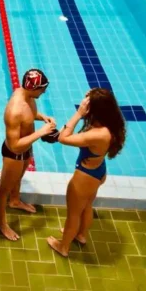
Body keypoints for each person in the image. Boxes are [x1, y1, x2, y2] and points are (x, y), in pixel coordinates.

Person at [47, 88, 126, 258]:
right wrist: (93, 96)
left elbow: (63, 138)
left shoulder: (98, 134)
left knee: (73, 215)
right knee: (87, 206)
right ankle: (81, 235)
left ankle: (63, 247)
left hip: (85, 177)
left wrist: (78, 113)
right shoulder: (109, 124)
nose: (84, 104)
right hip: (98, 171)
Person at [0, 69, 56, 241]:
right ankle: (1, 222)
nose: (44, 91)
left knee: (19, 178)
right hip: (13, 154)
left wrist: (42, 117)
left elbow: (29, 115)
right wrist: (42, 132)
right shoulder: (14, 110)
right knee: (3, 190)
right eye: (42, 89)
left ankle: (15, 201)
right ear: (33, 88)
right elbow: (14, 146)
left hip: (26, 148)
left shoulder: (26, 95)